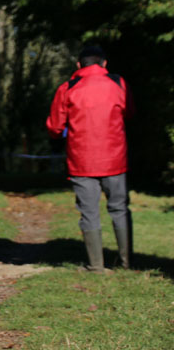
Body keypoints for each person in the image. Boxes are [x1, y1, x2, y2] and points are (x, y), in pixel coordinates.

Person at [46, 45, 134, 272]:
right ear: (104, 63)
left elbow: (55, 127)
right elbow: (130, 112)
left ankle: (96, 266)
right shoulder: (118, 84)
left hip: (81, 161)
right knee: (119, 209)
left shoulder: (68, 88)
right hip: (115, 159)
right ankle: (126, 263)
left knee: (89, 212)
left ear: (78, 65)